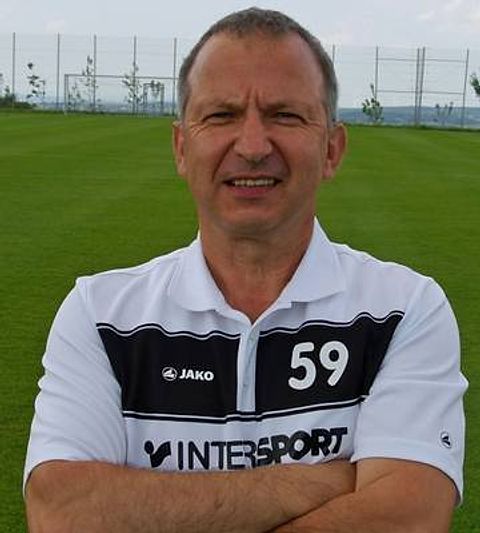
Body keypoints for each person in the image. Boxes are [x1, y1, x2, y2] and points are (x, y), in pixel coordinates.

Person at [24, 7, 467, 532]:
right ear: (181, 148)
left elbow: (407, 516)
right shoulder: (99, 315)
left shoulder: (404, 310)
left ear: (332, 149)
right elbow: (63, 513)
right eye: (221, 115)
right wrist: (319, 481)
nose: (254, 147)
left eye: (285, 115)